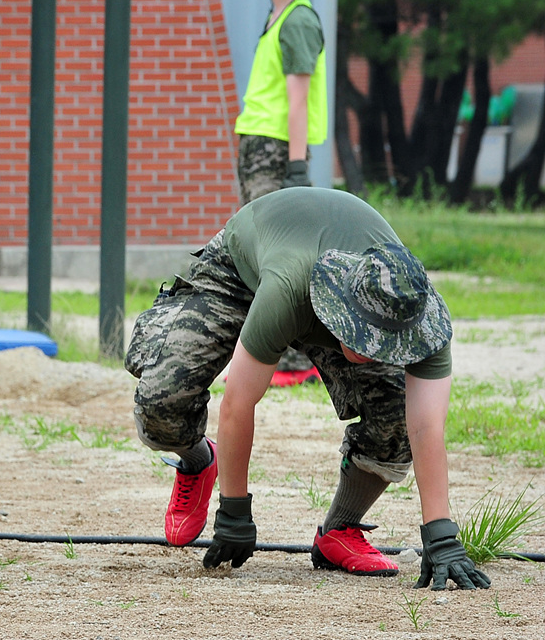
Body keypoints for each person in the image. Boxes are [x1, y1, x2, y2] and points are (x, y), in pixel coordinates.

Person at [125, 188, 491, 591]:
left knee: (395, 416)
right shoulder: (290, 288)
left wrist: (441, 534)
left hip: (321, 275)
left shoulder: (415, 314)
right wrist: (233, 512)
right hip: (244, 268)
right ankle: (197, 460)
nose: (376, 353)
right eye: (367, 339)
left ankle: (340, 530)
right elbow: (238, 403)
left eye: (386, 345)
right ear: (346, 312)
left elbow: (426, 427)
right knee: (162, 400)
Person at [231, 0, 328, 387]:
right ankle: (275, 356)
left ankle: (295, 361)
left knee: (281, 259)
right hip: (260, 148)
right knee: (260, 255)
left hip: (276, 153)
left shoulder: (299, 20)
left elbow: (298, 100)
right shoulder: (275, 18)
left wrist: (296, 169)